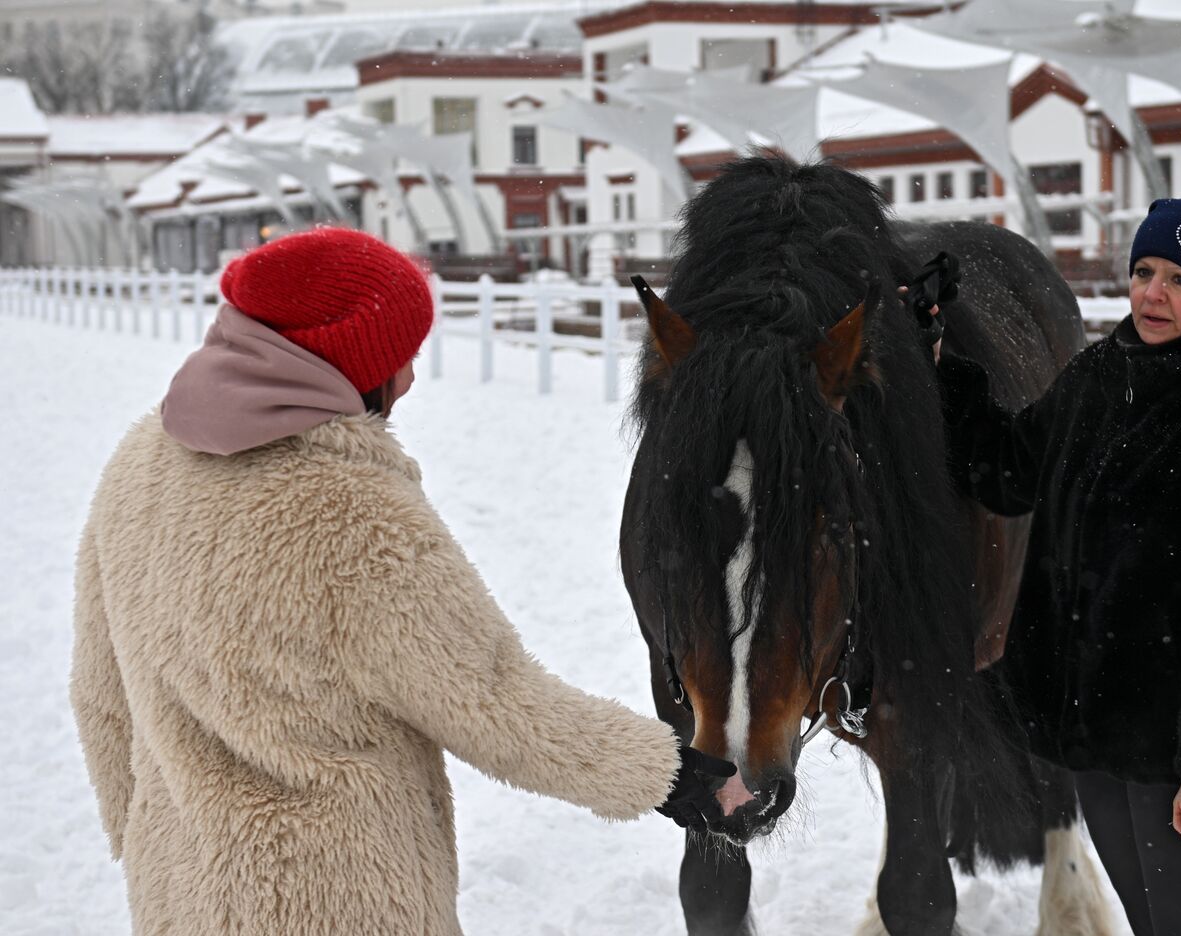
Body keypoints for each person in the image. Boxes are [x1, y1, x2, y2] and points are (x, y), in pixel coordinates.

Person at [70, 228, 734, 936]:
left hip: (180, 889)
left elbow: (99, 693)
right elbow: (493, 699)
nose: (412, 378)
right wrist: (672, 777)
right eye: (400, 356)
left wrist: (140, 836)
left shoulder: (140, 464)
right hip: (339, 895)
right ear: (347, 362)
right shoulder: (348, 514)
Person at [905, 198, 1181, 936]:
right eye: (1144, 271)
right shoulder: (1105, 376)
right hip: (1100, 739)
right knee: (1148, 920)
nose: (1152, 294)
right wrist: (941, 358)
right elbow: (1007, 469)